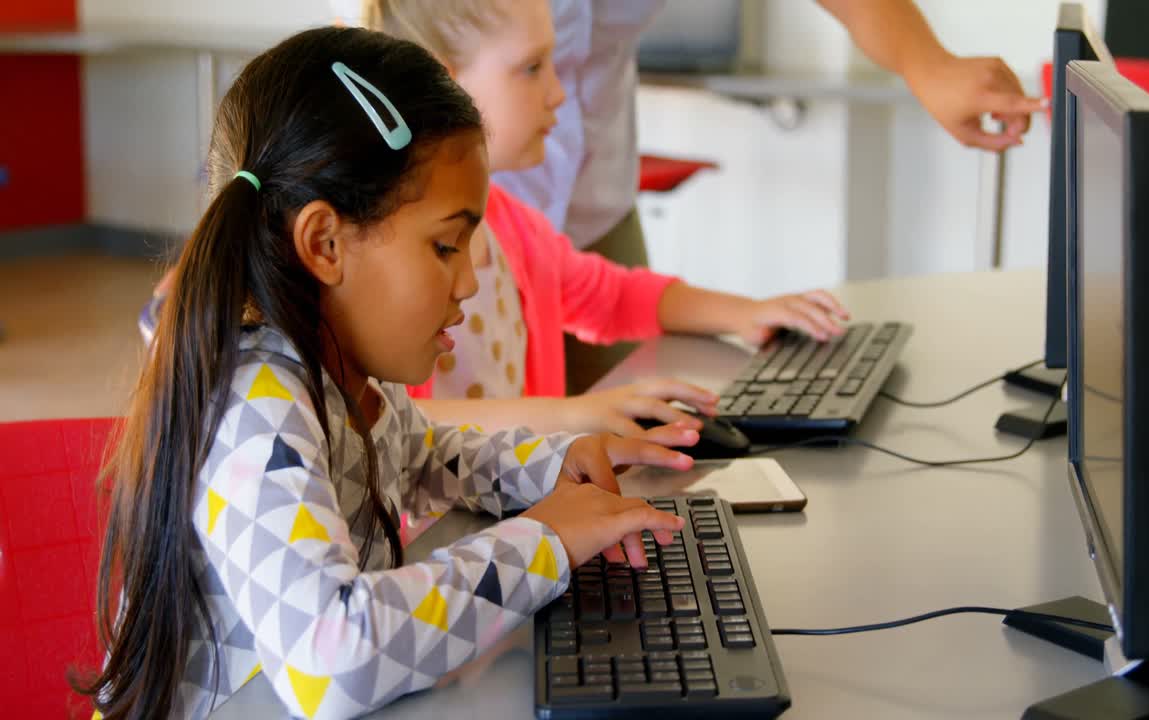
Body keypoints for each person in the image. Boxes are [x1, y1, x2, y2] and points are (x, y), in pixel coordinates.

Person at [81, 27, 695, 719]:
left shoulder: (346, 377)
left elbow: (432, 455)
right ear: (325, 243)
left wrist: (556, 469)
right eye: (444, 245)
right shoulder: (254, 400)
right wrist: (547, 540)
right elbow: (333, 656)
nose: (468, 282)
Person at [341, 0, 1044, 392]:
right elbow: (406, 437)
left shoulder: (519, 237)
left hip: (572, 208)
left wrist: (749, 310)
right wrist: (573, 423)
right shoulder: (391, 271)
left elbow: (604, 292)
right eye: (534, 70)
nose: (558, 89)